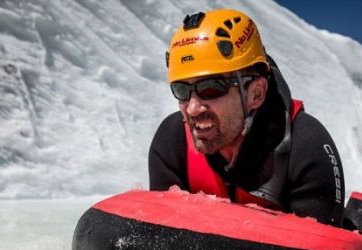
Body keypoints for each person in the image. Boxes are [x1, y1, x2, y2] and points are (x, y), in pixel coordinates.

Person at [148, 9, 345, 227]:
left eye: (211, 88)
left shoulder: (306, 145)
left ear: (256, 94)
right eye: (182, 90)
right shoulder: (172, 140)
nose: (193, 108)